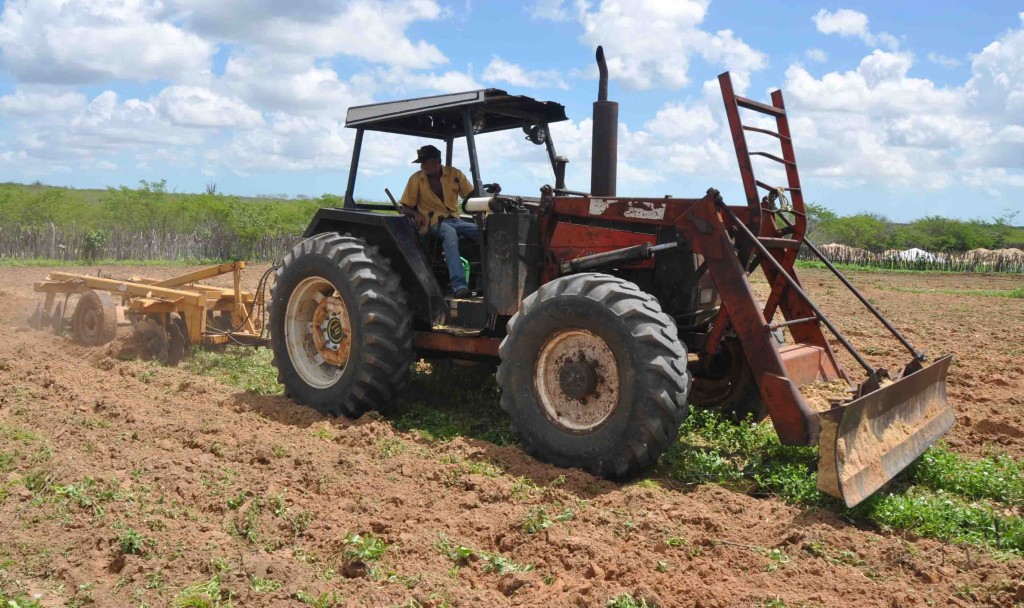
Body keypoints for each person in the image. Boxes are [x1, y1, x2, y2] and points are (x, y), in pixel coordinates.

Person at [400, 144, 478, 298]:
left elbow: (472, 196)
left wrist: (491, 193)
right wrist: (415, 214)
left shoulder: (454, 175)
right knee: (450, 233)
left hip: (454, 219)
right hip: (433, 224)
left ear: (436, 161)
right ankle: (459, 285)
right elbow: (405, 208)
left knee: (481, 231)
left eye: (424, 162)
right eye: (420, 163)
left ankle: (483, 280)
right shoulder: (416, 179)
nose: (422, 166)